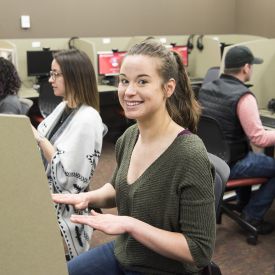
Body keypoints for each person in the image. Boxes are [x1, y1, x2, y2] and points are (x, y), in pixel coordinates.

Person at [52, 39, 216, 275]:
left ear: (168, 88)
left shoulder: (189, 154)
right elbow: (120, 189)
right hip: (126, 253)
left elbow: (200, 251)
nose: (128, 91)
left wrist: (129, 224)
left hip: (162, 269)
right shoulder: (130, 136)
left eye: (142, 81)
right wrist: (86, 197)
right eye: (124, 81)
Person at [32, 49, 107, 260]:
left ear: (73, 76)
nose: (50, 79)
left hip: (63, 207)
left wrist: (38, 139)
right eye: (50, 73)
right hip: (46, 192)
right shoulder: (65, 107)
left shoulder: (87, 118)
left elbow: (67, 178)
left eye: (56, 74)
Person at [199, 45, 275, 234]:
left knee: (246, 151)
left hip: (210, 160)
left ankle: (243, 203)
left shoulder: (206, 88)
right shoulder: (243, 96)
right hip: (232, 163)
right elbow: (260, 139)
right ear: (246, 68)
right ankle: (253, 215)